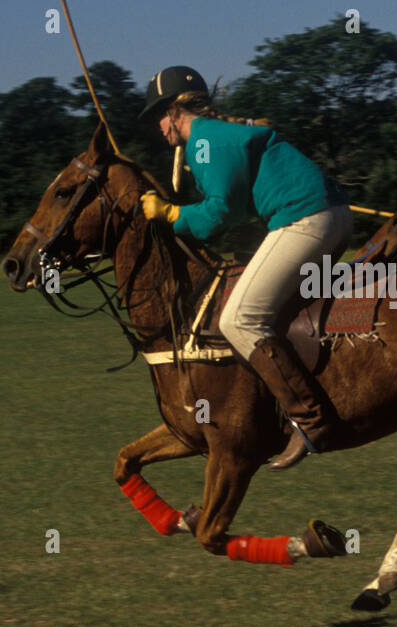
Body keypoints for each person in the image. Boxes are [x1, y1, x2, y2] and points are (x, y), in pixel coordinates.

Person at [137, 66, 352, 470]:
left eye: (158, 117)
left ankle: (309, 418)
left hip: (305, 219)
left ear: (175, 110)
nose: (158, 128)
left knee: (239, 318)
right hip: (327, 215)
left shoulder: (204, 140)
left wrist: (169, 214)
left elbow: (220, 213)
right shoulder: (214, 138)